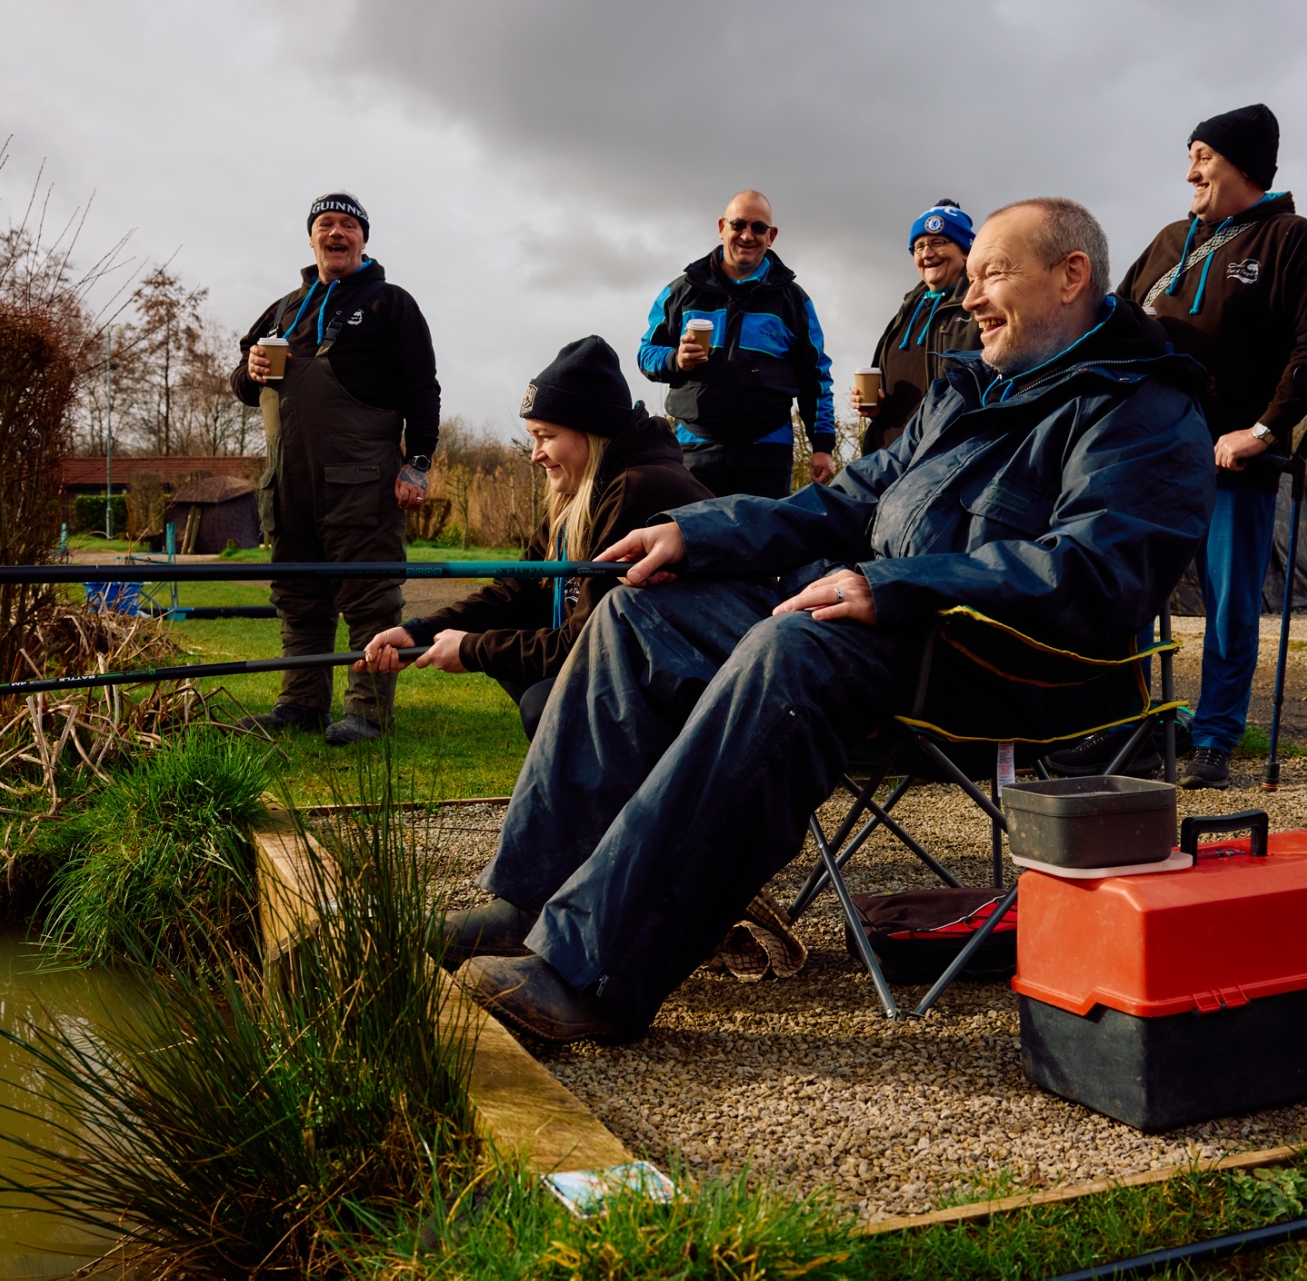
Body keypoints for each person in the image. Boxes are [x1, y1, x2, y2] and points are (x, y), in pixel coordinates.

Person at [445, 199, 1216, 1042]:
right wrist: (692, 532)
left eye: (993, 273)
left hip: (1016, 667)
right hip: (895, 635)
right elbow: (845, 501)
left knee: (794, 649)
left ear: (1072, 276)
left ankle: (591, 970)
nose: (970, 297)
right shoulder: (967, 394)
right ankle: (523, 901)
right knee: (640, 613)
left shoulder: (1145, 407)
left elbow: (1097, 575)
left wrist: (898, 586)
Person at [1099, 104, 1307, 790]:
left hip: (1234, 460)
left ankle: (1214, 738)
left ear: (1241, 164)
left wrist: (1264, 430)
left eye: (1202, 156)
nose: (1190, 171)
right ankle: (1136, 727)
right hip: (1149, 458)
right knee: (1133, 595)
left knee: (1229, 604)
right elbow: (1114, 325)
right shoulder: (1169, 239)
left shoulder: (1293, 239)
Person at [358, 336, 712, 739]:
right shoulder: (579, 488)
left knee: (542, 699)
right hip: (628, 667)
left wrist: (472, 649)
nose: (535, 454)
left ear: (591, 430)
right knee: (515, 667)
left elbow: (585, 645)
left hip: (689, 685)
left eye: (546, 435)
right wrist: (420, 631)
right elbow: (518, 590)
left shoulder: (639, 489)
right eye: (532, 437)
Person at [231, 192, 442, 745]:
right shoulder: (282, 309)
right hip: (288, 484)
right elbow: (240, 388)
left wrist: (417, 464)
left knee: (370, 597)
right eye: (325, 223)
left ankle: (367, 713)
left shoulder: (390, 303)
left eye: (348, 225)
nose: (337, 233)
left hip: (363, 481)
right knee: (299, 596)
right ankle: (300, 702)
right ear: (310, 237)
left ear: (363, 240)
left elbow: (423, 391)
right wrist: (250, 370)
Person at [637, 191, 836, 499]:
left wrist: (822, 447)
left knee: (763, 545)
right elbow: (646, 354)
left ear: (771, 236)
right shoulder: (680, 291)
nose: (747, 235)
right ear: (721, 227)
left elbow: (816, 378)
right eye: (738, 224)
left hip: (767, 452)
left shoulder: (794, 300)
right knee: (691, 544)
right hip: (694, 449)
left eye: (758, 228)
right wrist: (676, 359)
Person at [855, 200, 985, 454]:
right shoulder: (907, 309)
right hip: (888, 459)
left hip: (947, 459)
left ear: (966, 252)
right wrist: (877, 407)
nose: (927, 253)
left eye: (939, 242)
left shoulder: (982, 306)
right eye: (919, 246)